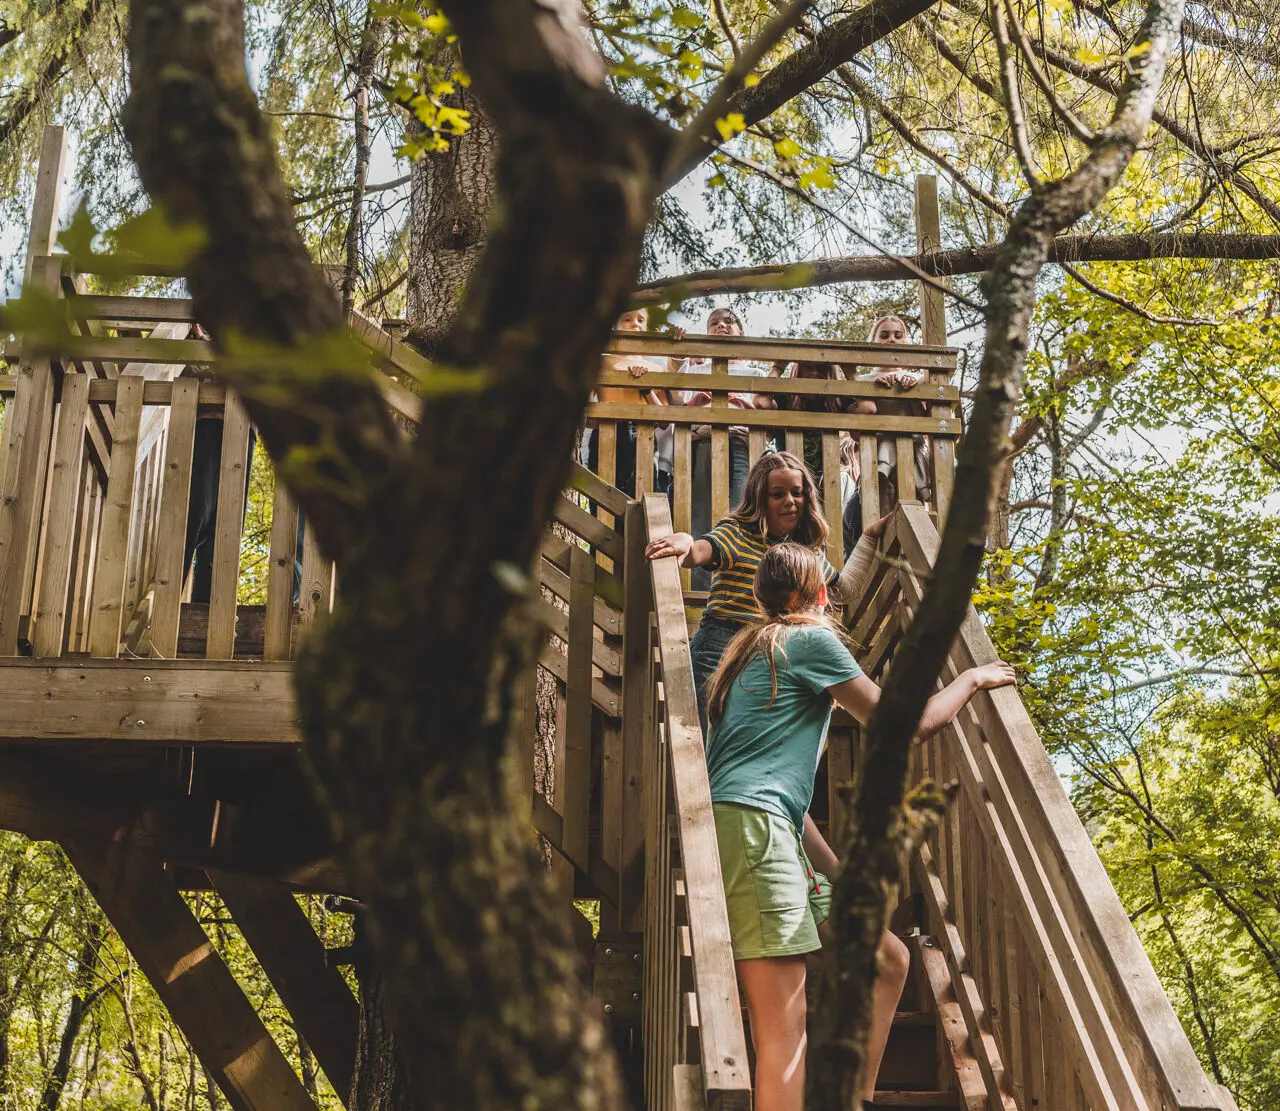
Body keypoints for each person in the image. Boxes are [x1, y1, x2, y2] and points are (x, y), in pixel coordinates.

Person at [704, 543, 1016, 1111]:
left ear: (759, 595)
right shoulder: (807, 640)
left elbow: (783, 798)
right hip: (757, 838)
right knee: (783, 1036)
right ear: (821, 594)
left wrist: (838, 875)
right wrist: (970, 679)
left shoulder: (748, 653)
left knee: (888, 959)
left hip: (768, 832)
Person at [643, 450, 884, 734]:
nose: (790, 502)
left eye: (797, 493)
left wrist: (868, 538)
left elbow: (843, 590)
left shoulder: (806, 552)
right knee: (703, 736)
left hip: (773, 651)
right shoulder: (738, 532)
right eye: (778, 494)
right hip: (721, 644)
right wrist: (685, 541)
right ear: (760, 500)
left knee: (748, 741)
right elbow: (698, 552)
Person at [668, 307, 775, 590]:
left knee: (741, 511)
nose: (721, 326)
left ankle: (741, 586)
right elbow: (677, 402)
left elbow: (766, 415)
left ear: (741, 334)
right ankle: (703, 589)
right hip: (703, 443)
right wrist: (694, 404)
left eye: (729, 322)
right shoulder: (698, 369)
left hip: (741, 445)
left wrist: (746, 409)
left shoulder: (753, 372)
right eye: (714, 323)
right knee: (703, 514)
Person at [585, 306, 674, 496]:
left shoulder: (655, 368)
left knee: (644, 501)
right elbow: (588, 418)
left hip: (644, 439)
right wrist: (603, 412)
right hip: (606, 436)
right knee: (603, 500)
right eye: (627, 319)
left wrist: (645, 388)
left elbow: (665, 422)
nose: (635, 323)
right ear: (615, 325)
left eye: (641, 320)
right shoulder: (599, 361)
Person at [852, 315, 932, 513]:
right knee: (880, 506)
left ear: (906, 341)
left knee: (912, 508)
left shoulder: (917, 379)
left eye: (898, 335)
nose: (891, 340)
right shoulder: (862, 380)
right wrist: (873, 391)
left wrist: (914, 389)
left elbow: (923, 421)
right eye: (884, 335)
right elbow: (854, 433)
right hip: (876, 458)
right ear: (872, 342)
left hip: (911, 455)